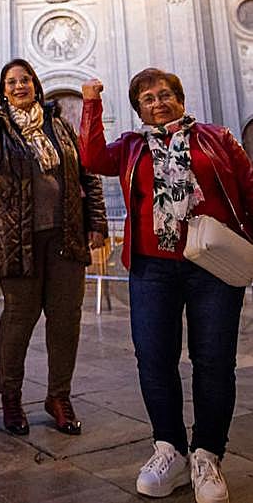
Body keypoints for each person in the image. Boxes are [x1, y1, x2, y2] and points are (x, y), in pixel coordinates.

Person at [79, 68, 253, 503]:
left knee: (213, 360)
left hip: (212, 263)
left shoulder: (217, 138)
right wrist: (91, 104)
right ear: (139, 109)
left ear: (180, 98)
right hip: (152, 267)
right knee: (154, 358)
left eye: (164, 96)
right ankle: (169, 449)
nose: (157, 103)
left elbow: (249, 190)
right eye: (147, 100)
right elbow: (91, 158)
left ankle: (208, 454)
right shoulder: (132, 147)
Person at [0, 59, 106, 438]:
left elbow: (86, 175)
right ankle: (11, 397)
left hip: (64, 238)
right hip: (18, 241)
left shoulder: (59, 126)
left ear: (36, 85)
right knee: (18, 322)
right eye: (11, 82)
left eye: (25, 79)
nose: (19, 86)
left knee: (65, 322)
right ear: (4, 90)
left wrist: (97, 223)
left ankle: (59, 397)